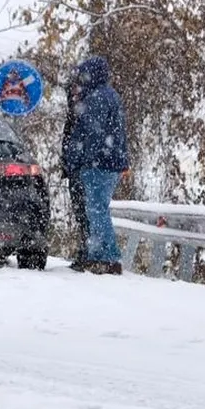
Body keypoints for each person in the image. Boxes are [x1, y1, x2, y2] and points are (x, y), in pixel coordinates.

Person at [62, 56, 130, 275]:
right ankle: (96, 254)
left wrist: (80, 160)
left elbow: (92, 134)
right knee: (96, 209)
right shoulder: (108, 95)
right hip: (109, 161)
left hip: (99, 163)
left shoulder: (97, 98)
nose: (80, 80)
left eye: (82, 75)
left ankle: (108, 258)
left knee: (97, 209)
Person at [61, 70, 90, 271]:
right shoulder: (75, 111)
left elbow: (78, 140)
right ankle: (86, 251)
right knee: (81, 212)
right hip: (76, 168)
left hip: (82, 168)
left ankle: (88, 253)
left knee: (86, 212)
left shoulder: (84, 111)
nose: (73, 93)